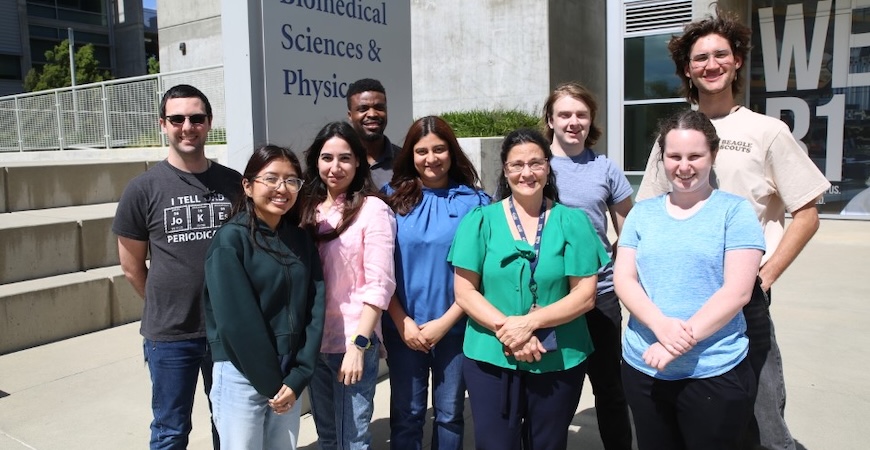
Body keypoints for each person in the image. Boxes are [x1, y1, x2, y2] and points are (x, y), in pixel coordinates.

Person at [635, 8, 831, 450]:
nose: (711, 64)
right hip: (680, 290)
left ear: (737, 60)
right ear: (688, 69)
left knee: (762, 412)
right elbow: (647, 211)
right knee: (697, 409)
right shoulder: (676, 135)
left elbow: (807, 212)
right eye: (700, 57)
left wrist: (768, 274)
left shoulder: (767, 131)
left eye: (720, 54)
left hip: (743, 293)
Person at [448, 128, 608, 450]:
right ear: (505, 171)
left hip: (559, 356)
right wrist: (510, 331)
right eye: (516, 164)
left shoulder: (572, 222)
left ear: (548, 167)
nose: (527, 173)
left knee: (547, 444)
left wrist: (530, 323)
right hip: (491, 355)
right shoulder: (480, 221)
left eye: (536, 163)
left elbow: (585, 295)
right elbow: (465, 292)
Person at [616, 110, 765, 450]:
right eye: (675, 156)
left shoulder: (734, 212)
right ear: (663, 157)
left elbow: (738, 292)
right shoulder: (643, 212)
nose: (684, 166)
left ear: (712, 155)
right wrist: (661, 326)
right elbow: (625, 279)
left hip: (713, 371)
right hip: (644, 368)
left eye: (695, 156)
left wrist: (674, 343)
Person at [113, 84, 242, 449]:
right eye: (177, 119)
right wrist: (166, 303)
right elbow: (131, 266)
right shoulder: (143, 188)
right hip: (171, 335)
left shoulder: (234, 183)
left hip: (228, 332)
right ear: (163, 124)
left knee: (230, 425)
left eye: (196, 118)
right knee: (170, 431)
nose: (188, 126)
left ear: (209, 123)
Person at [203, 145, 325, 450]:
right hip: (241, 373)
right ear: (247, 185)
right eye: (271, 179)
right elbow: (237, 322)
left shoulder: (299, 239)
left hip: (288, 377)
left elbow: (315, 305)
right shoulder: (231, 240)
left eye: (291, 181)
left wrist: (299, 375)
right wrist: (273, 384)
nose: (282, 188)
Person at [382, 116, 491, 450]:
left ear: (452, 152)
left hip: (455, 330)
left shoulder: (477, 203)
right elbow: (378, 270)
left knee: (449, 414)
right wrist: (403, 323)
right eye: (421, 150)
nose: (431, 158)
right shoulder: (390, 200)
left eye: (439, 149)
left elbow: (481, 275)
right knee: (407, 414)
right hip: (404, 329)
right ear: (410, 155)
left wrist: (444, 324)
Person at [541, 82, 634, 450]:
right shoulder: (535, 164)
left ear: (590, 120)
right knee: (552, 392)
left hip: (600, 294)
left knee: (610, 388)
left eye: (581, 114)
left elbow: (628, 225)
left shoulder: (604, 167)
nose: (573, 122)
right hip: (547, 297)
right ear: (550, 119)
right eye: (564, 114)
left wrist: (617, 261)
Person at [299, 121, 397, 450]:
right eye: (327, 158)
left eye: (345, 158)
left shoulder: (373, 210)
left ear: (358, 162)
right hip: (315, 339)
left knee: (352, 438)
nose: (335, 167)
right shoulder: (306, 210)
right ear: (316, 161)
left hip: (353, 341)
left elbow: (379, 283)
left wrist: (359, 344)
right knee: (328, 437)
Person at [346, 78, 401, 189]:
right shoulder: (339, 161)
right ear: (350, 115)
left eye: (379, 108)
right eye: (363, 109)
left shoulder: (404, 160)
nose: (372, 114)